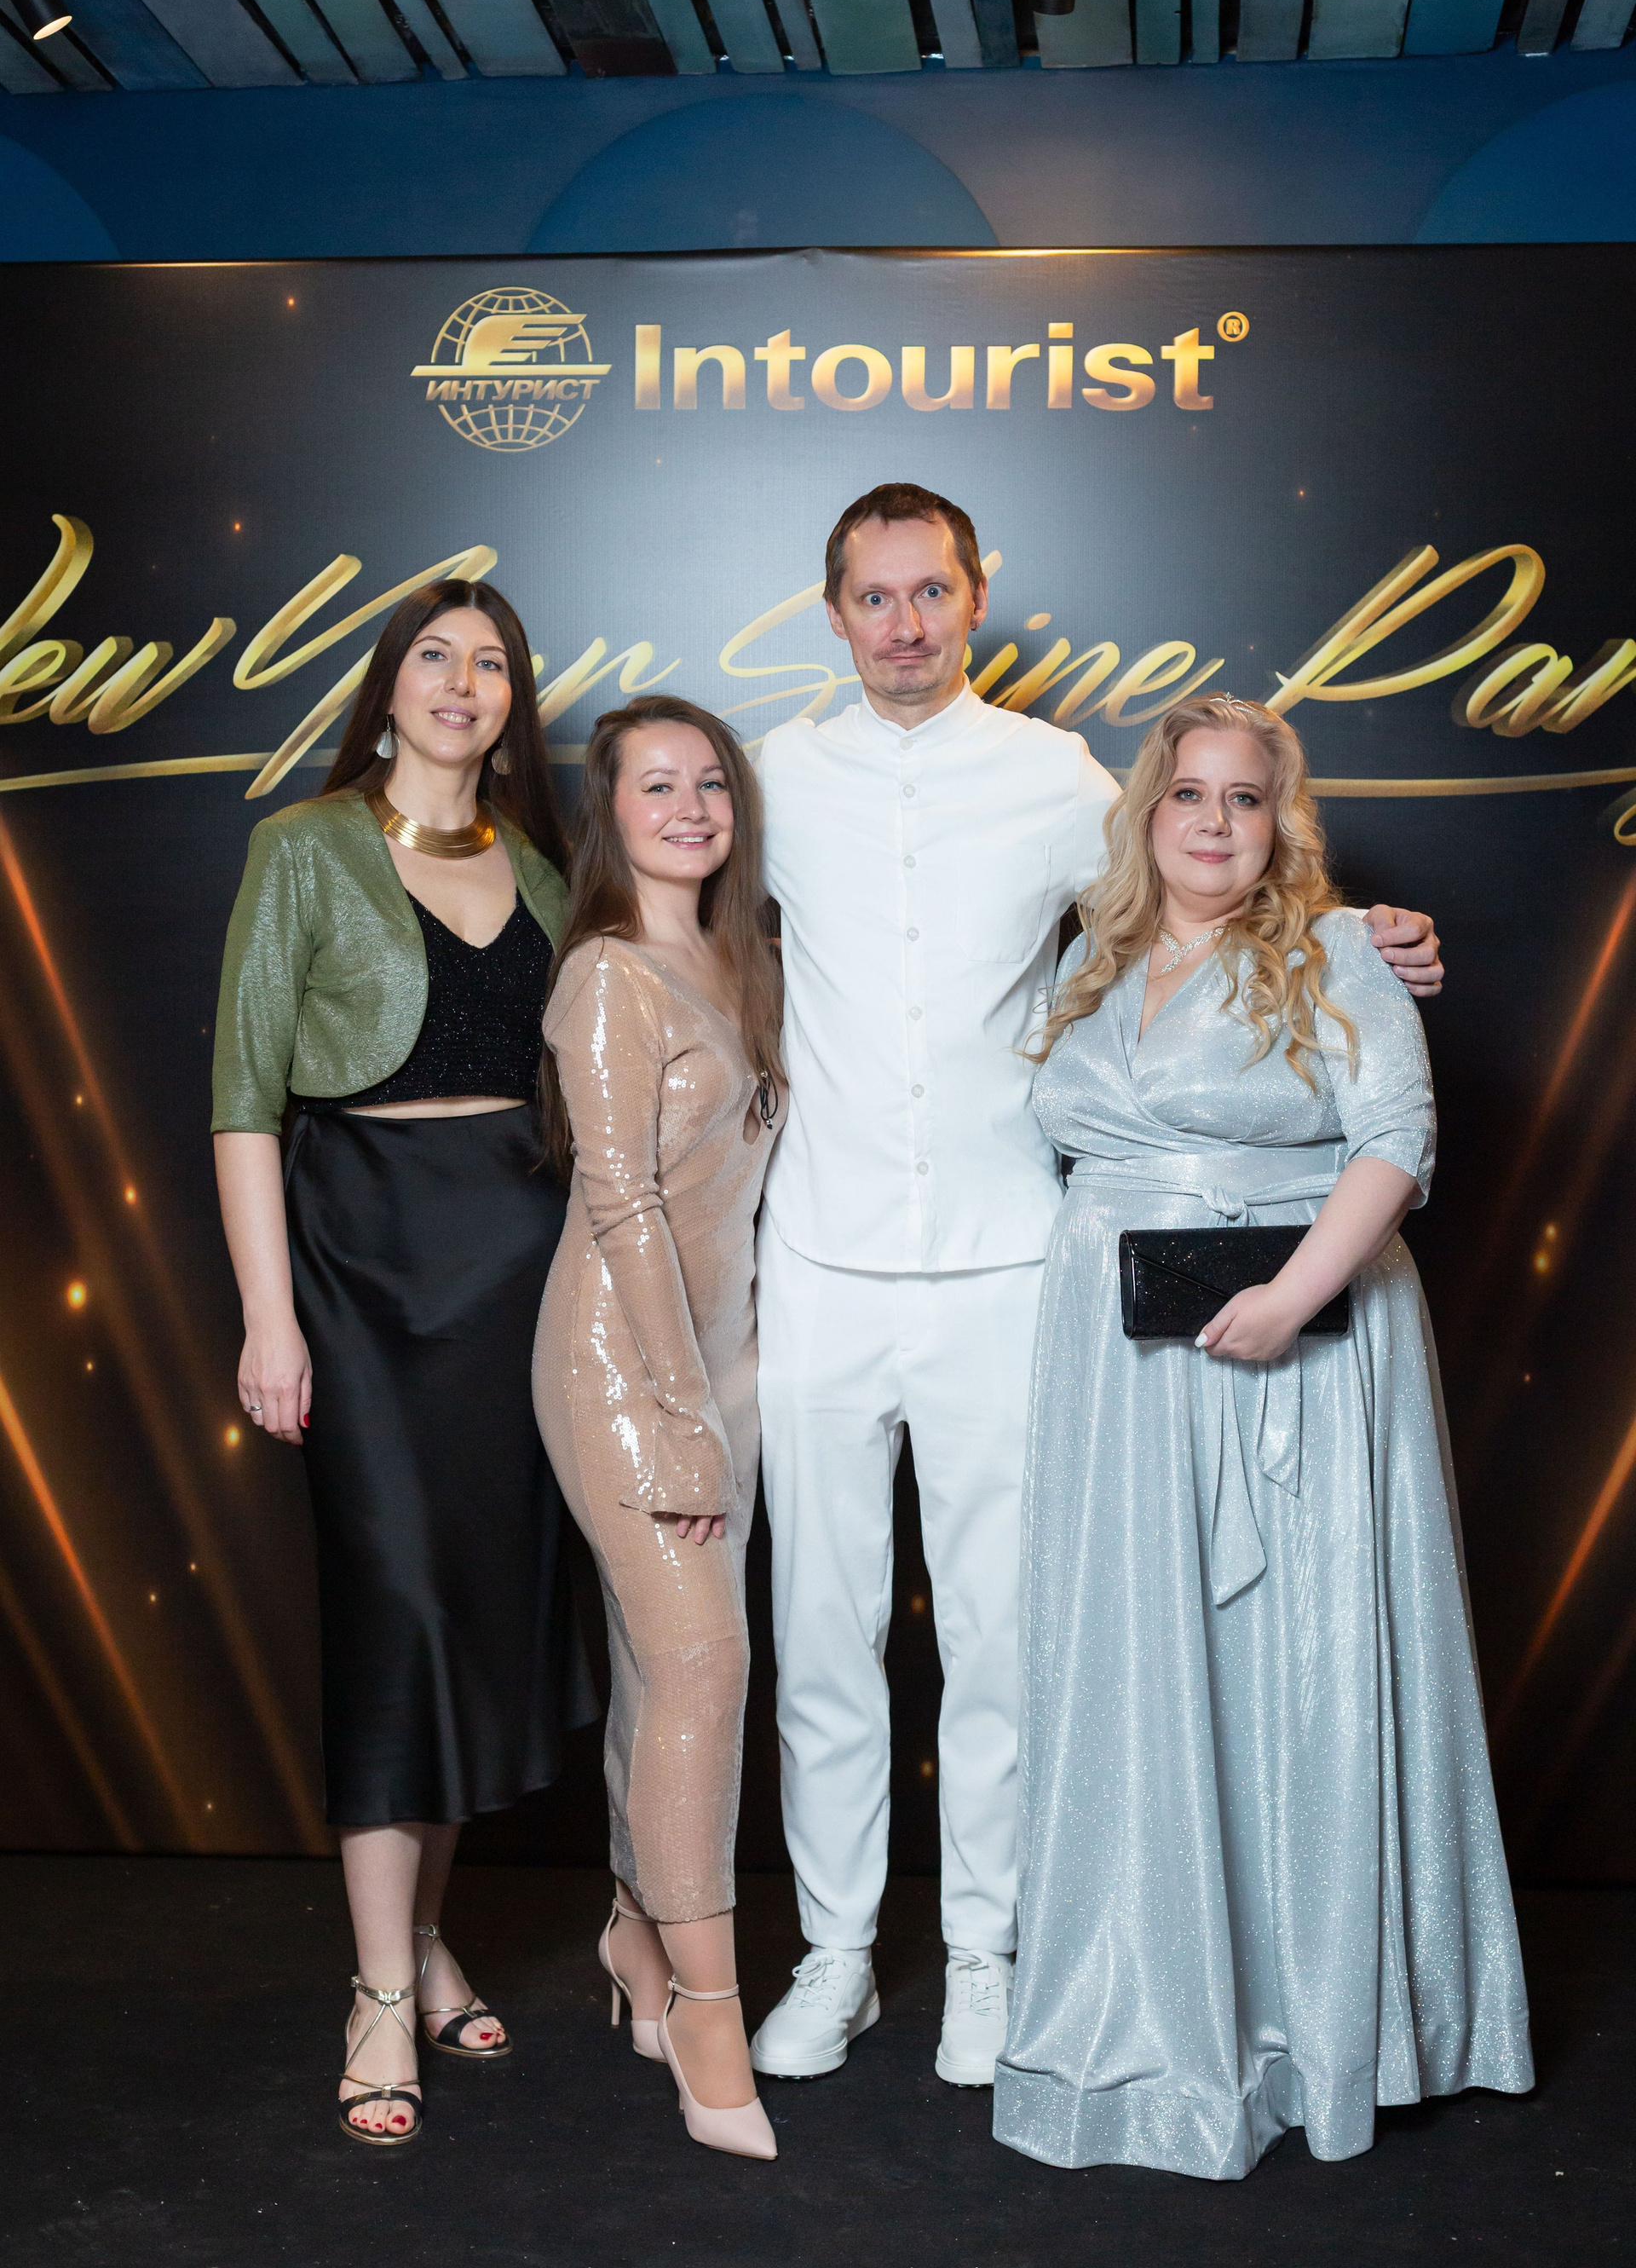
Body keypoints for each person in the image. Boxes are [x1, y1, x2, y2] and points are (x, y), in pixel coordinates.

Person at [748, 483, 1445, 2091]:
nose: (905, 624)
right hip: (821, 1258)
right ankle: (836, 1953)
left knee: (1003, 1639)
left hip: (1013, 1265)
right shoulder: (773, 778)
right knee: (821, 1634)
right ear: (833, 612)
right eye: (874, 597)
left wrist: (1363, 932)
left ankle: (987, 1957)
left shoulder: (1058, 775)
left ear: (974, 599)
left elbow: (1209, 883)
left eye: (932, 591)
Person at [993, 695, 1532, 2175]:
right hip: (1120, 1370)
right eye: (1190, 795)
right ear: (1147, 813)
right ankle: (1158, 2013)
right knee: (1146, 1675)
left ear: (1281, 820)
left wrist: (1294, 1298)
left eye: (1245, 798)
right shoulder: (1091, 958)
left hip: (1293, 1359)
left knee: (1297, 1674)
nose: (1215, 822)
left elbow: (1397, 1140)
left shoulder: (1339, 949)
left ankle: (1317, 2030)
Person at [212, 578, 589, 2148]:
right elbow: (245, 1100)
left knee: (478, 1622)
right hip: (359, 1270)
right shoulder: (303, 846)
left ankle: (427, 1941)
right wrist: (270, 1316)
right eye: (434, 655)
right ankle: (378, 1991)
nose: (461, 681)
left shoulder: (550, 869)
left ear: (512, 701)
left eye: (490, 662)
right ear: (388, 686)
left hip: (523, 1280)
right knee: (397, 1615)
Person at [534, 697, 786, 2162]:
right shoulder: (608, 976)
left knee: (657, 1665)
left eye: (712, 784)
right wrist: (684, 1417)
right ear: (611, 815)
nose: (690, 807)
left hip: (724, 1367)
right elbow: (622, 1205)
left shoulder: (745, 961)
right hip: (623, 1370)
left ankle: (634, 1931)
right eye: (657, 786)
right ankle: (707, 2009)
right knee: (704, 1662)